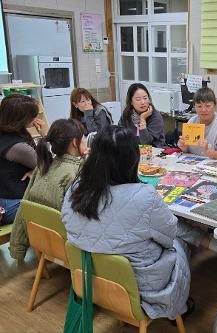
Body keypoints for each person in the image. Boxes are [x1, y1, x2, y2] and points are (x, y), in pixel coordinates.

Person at [62, 125, 206, 320]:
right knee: (178, 243)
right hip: (141, 289)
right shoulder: (143, 196)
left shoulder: (76, 187)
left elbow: (69, 224)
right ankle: (179, 308)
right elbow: (169, 233)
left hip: (91, 281)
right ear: (132, 158)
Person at [9, 119, 87, 260]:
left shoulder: (42, 166)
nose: (86, 141)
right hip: (69, 248)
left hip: (43, 243)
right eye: (84, 138)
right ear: (75, 142)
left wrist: (17, 247)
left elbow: (24, 207)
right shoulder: (75, 173)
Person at [0, 94, 47, 225]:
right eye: (33, 116)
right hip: (12, 205)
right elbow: (49, 165)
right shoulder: (18, 147)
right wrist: (45, 136)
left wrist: (35, 170)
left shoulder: (6, 134)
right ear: (21, 118)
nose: (36, 119)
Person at [178, 87, 217, 160]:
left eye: (208, 106)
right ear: (194, 106)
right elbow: (188, 150)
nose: (203, 110)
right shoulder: (192, 122)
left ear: (214, 105)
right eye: (199, 106)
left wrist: (207, 151)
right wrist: (184, 147)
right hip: (193, 164)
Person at [118, 83, 166, 148]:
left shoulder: (155, 116)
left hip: (153, 152)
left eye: (145, 98)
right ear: (131, 102)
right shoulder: (127, 114)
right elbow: (119, 135)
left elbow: (146, 142)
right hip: (132, 151)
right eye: (138, 99)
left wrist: (142, 119)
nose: (143, 102)